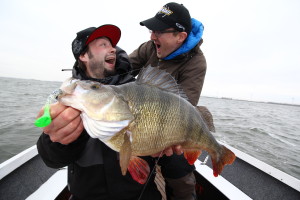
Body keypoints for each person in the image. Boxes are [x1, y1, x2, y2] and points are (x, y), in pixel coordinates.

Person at [36, 24, 186, 200]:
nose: (113, 49)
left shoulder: (140, 90)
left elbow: (173, 161)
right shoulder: (69, 96)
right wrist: (58, 140)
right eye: (103, 44)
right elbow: (52, 160)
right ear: (83, 55)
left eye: (112, 45)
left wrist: (172, 145)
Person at [129, 2, 207, 199]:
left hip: (172, 125)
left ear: (180, 37)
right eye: (152, 30)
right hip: (140, 120)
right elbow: (123, 66)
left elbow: (185, 104)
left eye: (159, 31)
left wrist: (164, 136)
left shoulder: (196, 62)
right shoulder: (150, 47)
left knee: (180, 171)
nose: (152, 36)